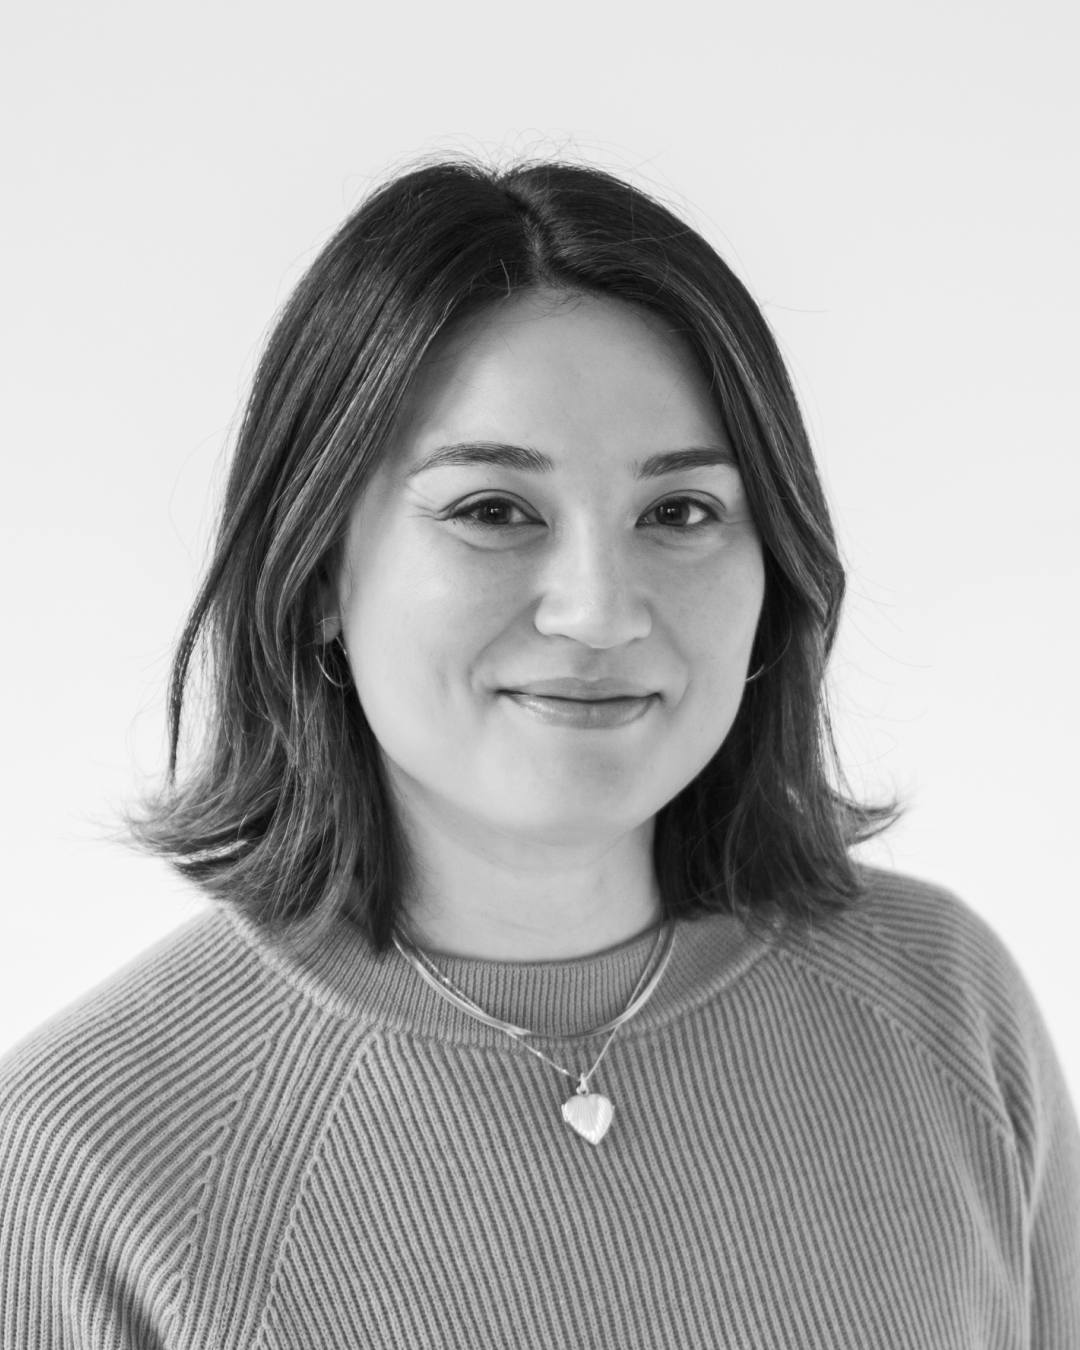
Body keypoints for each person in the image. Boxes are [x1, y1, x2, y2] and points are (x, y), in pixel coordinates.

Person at [1, 157, 1077, 1348]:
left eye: (679, 513)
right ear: (312, 573)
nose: (599, 610)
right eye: (493, 512)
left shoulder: (943, 1001)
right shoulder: (88, 1157)